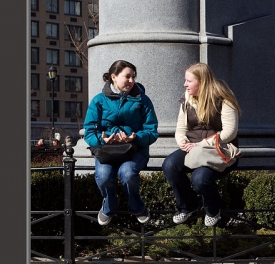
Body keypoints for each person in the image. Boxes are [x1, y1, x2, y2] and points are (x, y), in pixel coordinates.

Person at [162, 63, 242, 227]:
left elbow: (229, 133)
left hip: (219, 150)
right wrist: (182, 142)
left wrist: (202, 144)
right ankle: (188, 206)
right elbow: (181, 128)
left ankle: (213, 210)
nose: (185, 84)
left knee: (200, 180)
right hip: (192, 147)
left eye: (188, 81)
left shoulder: (224, 99)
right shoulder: (187, 97)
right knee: (169, 165)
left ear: (202, 82)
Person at [83, 60, 159, 226]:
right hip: (106, 151)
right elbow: (89, 131)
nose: (132, 81)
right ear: (113, 77)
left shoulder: (143, 100)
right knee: (103, 176)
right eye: (127, 77)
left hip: (135, 150)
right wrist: (101, 140)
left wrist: (135, 137)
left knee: (128, 174)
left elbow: (152, 131)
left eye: (133, 77)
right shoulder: (98, 101)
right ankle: (109, 205)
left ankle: (137, 206)